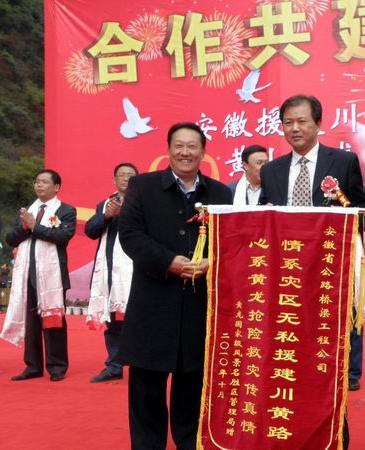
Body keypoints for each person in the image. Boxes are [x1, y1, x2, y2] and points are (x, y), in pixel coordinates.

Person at [259, 94, 365, 448]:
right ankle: (290, 432)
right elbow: (263, 221)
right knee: (287, 358)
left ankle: (334, 436)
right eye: (288, 122)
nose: (295, 128)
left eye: (302, 121)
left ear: (318, 124)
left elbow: (361, 213)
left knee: (327, 361)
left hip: (328, 280)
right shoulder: (272, 171)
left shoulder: (344, 162)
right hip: (286, 281)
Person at [117, 122, 232, 449]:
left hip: (199, 304)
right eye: (178, 146)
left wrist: (211, 262)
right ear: (168, 150)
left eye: (192, 146)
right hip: (153, 303)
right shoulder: (143, 186)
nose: (185, 152)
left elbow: (232, 240)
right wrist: (169, 261)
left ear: (203, 152)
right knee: (147, 388)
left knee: (192, 387)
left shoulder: (221, 193)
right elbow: (131, 236)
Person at [0, 169, 77, 382]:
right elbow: (11, 239)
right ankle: (33, 366)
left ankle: (57, 367)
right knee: (31, 323)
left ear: (56, 187)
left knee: (53, 320)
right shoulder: (27, 211)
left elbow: (63, 236)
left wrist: (35, 226)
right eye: (37, 181)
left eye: (44, 182)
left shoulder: (66, 210)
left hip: (52, 276)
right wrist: (26, 228)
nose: (39, 185)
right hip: (27, 274)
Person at [85, 162, 139, 383]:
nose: (125, 178)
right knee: (114, 321)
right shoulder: (105, 204)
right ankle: (114, 366)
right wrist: (106, 216)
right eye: (121, 175)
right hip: (110, 270)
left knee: (137, 320)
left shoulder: (145, 202)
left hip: (136, 268)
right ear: (114, 180)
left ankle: (140, 365)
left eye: (130, 175)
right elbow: (91, 231)